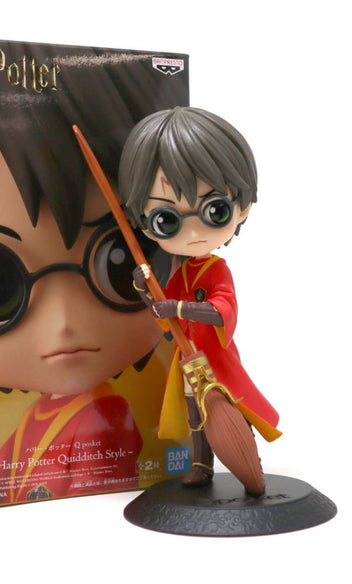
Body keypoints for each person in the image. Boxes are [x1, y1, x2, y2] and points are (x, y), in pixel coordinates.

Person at [0, 36, 189, 509]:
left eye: (120, 261)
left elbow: (94, 500)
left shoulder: (101, 419)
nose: (64, 323)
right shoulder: (41, 419)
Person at [119, 106, 281, 495]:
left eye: (215, 210)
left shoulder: (216, 270)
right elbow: (165, 318)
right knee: (195, 415)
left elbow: (222, 311)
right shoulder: (182, 273)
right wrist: (147, 291)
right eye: (166, 219)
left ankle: (248, 461)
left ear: (242, 207)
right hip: (190, 362)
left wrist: (175, 308)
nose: (193, 234)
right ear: (144, 224)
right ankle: (200, 465)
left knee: (233, 409)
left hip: (216, 362)